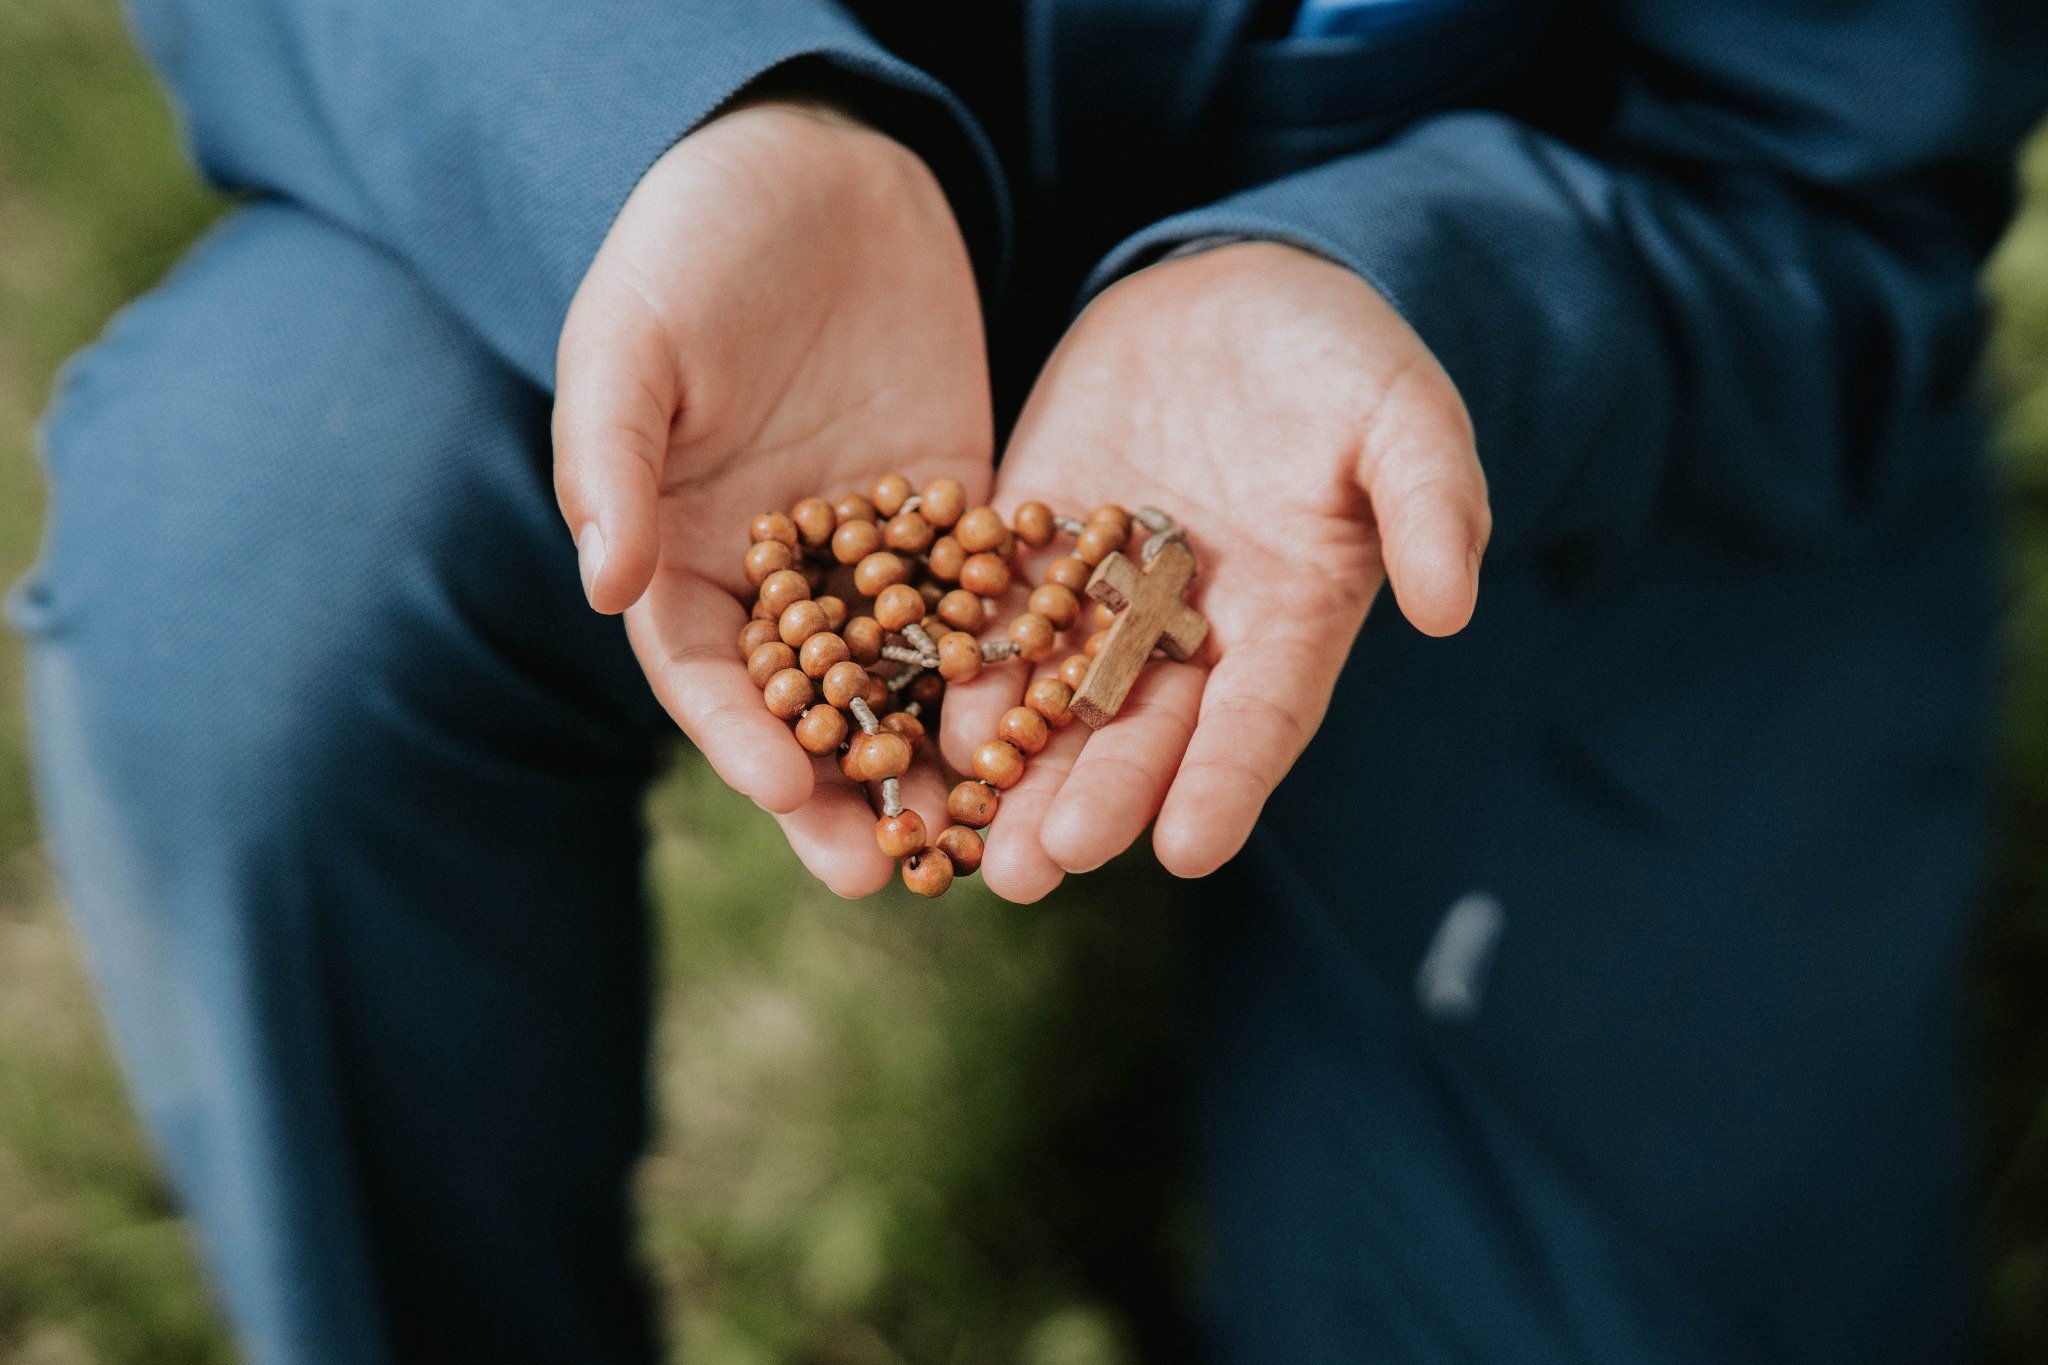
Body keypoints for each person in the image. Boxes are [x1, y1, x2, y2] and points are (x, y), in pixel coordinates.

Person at [15, 0, 2047, 1360]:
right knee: (260, 553)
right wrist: (690, 126)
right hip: (660, 160)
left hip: (1559, 367)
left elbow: (1829, 190)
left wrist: (1405, 294)